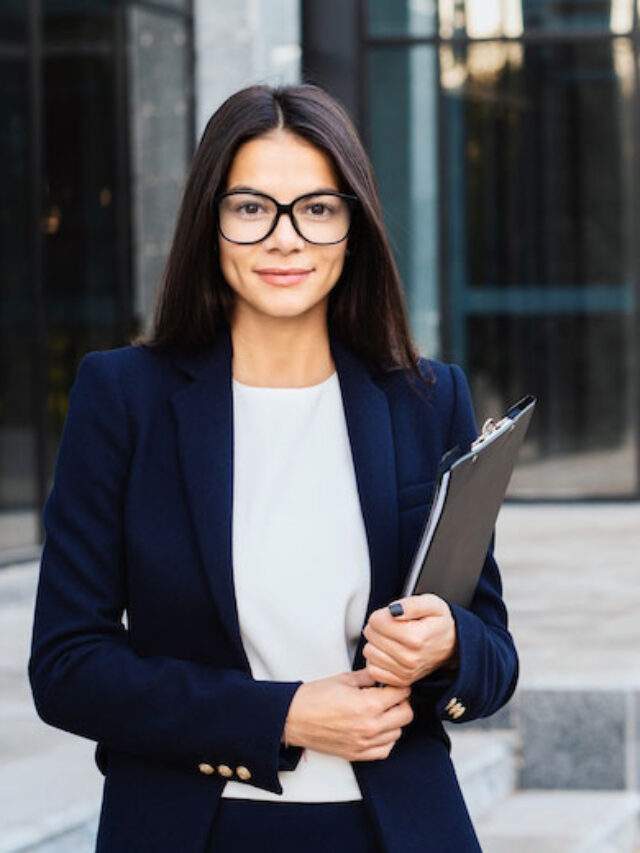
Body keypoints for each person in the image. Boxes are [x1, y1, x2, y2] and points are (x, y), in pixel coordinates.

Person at [28, 83, 518, 852]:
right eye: (252, 207)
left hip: (395, 827)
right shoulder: (123, 397)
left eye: (318, 209)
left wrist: (450, 644)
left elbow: (494, 655)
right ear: (210, 223)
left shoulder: (427, 398)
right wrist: (282, 714)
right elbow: (67, 666)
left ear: (353, 227)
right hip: (195, 828)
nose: (285, 238)